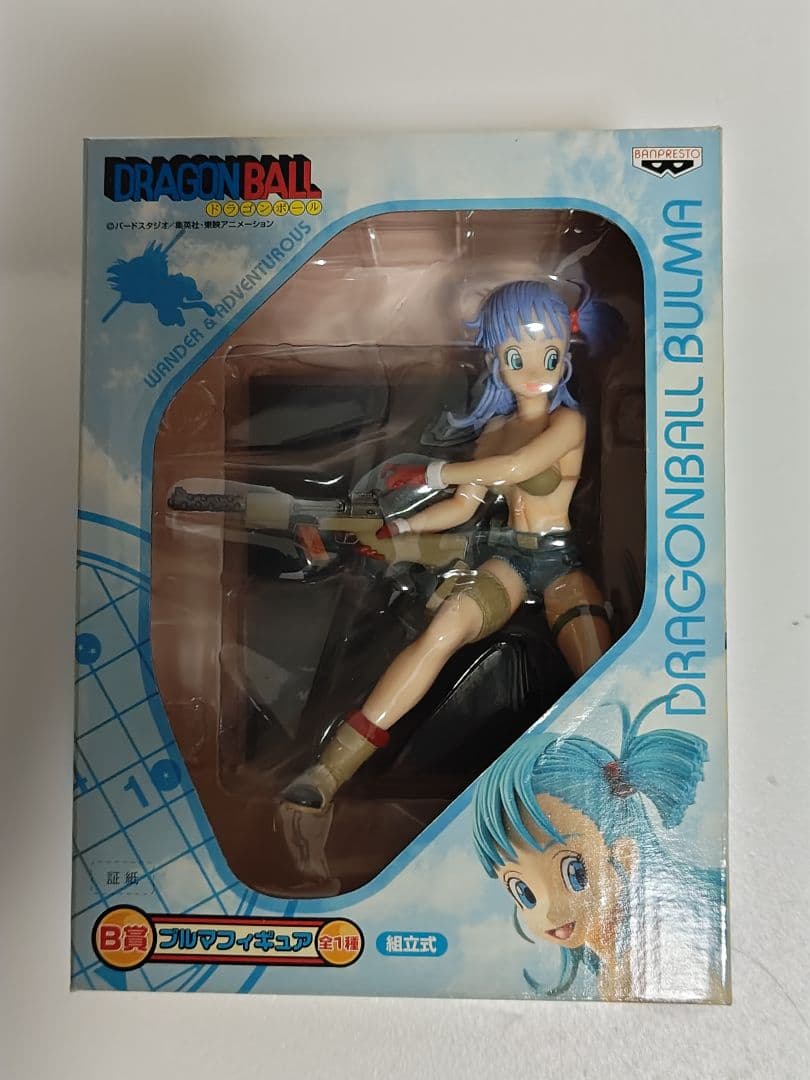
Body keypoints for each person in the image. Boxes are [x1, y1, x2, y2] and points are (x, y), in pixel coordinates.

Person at [283, 279, 618, 811]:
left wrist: (434, 471)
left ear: (566, 354)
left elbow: (516, 468)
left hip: (559, 559)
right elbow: (464, 507)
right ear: (496, 359)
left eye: (550, 354)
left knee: (596, 660)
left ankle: (613, 780)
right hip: (511, 558)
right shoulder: (495, 431)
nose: (535, 370)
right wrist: (405, 528)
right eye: (517, 357)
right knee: (441, 632)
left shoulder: (567, 422)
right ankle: (330, 770)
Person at [472, 698, 726, 1000]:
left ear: (624, 854)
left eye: (574, 873)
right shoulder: (623, 965)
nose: (549, 911)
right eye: (523, 891)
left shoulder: (643, 966)